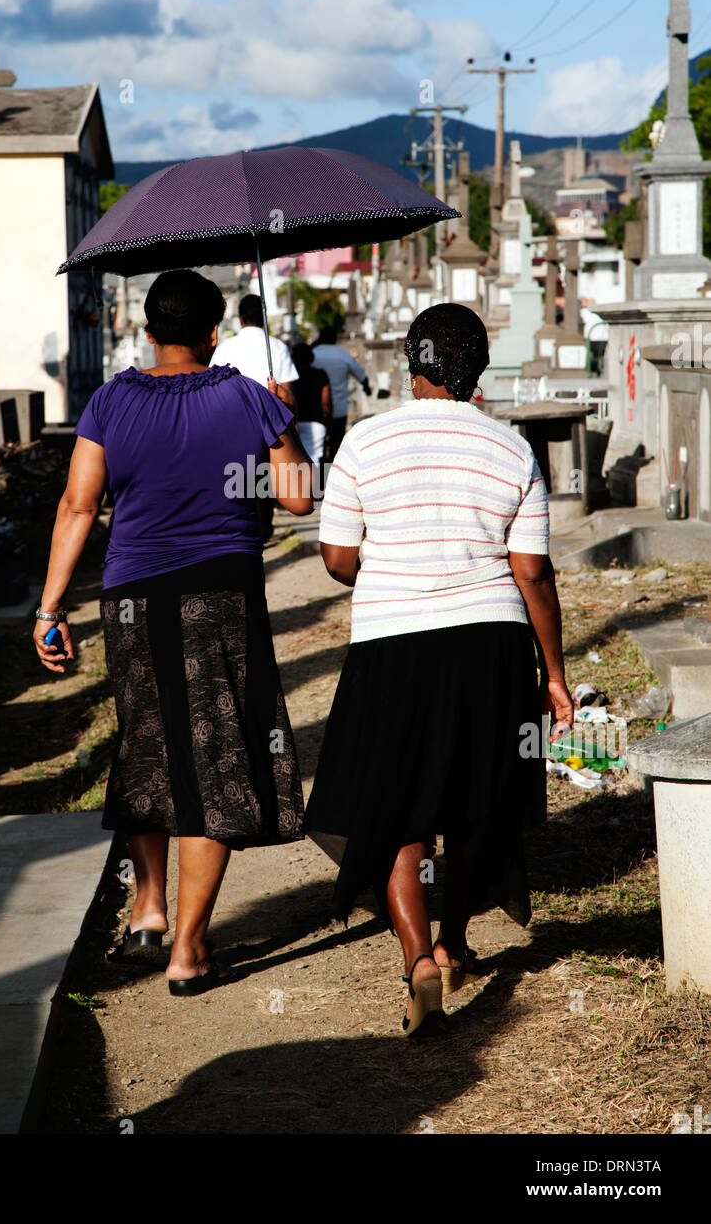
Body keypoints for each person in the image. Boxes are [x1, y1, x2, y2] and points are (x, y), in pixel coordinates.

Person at [33, 269, 313, 996]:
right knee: (217, 761)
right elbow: (298, 497)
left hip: (132, 600)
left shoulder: (110, 401)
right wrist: (283, 424)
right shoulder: (248, 396)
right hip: (221, 596)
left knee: (147, 745)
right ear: (214, 333)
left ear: (148, 331)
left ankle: (149, 909)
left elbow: (76, 505)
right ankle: (189, 953)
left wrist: (50, 607)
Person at [304, 302, 573, 1037]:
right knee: (473, 798)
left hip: (394, 642)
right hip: (492, 644)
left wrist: (378, 553)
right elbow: (533, 572)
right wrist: (553, 671)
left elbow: (336, 561)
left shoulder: (364, 442)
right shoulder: (513, 450)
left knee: (396, 806)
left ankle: (419, 960)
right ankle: (456, 939)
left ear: (412, 364)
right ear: (478, 369)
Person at [211, 293, 299, 542]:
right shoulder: (277, 347)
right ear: (264, 316)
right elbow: (288, 391)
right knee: (265, 476)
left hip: (232, 420)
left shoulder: (225, 348)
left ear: (240, 319)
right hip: (270, 422)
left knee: (239, 476)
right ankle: (264, 526)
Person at [310, 325, 371, 455]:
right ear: (335, 338)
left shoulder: (314, 354)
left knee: (317, 448)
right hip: (339, 408)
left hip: (318, 409)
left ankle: (320, 471)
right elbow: (361, 376)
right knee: (336, 446)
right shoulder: (344, 355)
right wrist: (367, 389)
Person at [291, 342, 332, 466]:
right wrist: (329, 418)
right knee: (315, 459)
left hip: (295, 421)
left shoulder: (290, 377)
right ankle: (315, 484)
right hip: (316, 420)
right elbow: (326, 402)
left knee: (296, 460)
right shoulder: (321, 374)